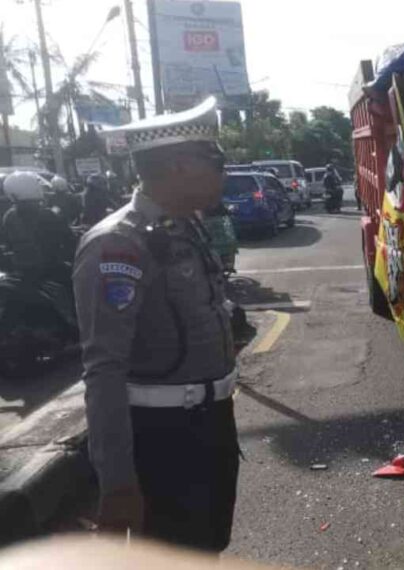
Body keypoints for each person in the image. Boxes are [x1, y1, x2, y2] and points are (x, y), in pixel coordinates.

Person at [74, 96, 239, 553]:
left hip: (211, 425)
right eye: (215, 161)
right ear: (178, 166)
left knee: (206, 548)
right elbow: (104, 371)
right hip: (162, 441)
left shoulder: (186, 227)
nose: (223, 171)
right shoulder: (117, 246)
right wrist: (118, 482)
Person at [1, 171, 77, 282]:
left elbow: (8, 243)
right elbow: (69, 240)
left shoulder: (9, 216)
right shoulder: (48, 214)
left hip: (20, 270)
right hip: (50, 269)